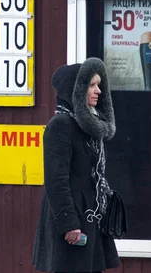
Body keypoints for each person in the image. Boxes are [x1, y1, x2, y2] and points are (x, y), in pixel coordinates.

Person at [32, 57, 120, 273]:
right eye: (91, 85)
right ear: (75, 90)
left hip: (91, 218)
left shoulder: (89, 126)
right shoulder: (60, 125)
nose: (98, 91)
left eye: (99, 85)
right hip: (73, 224)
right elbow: (56, 181)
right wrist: (69, 224)